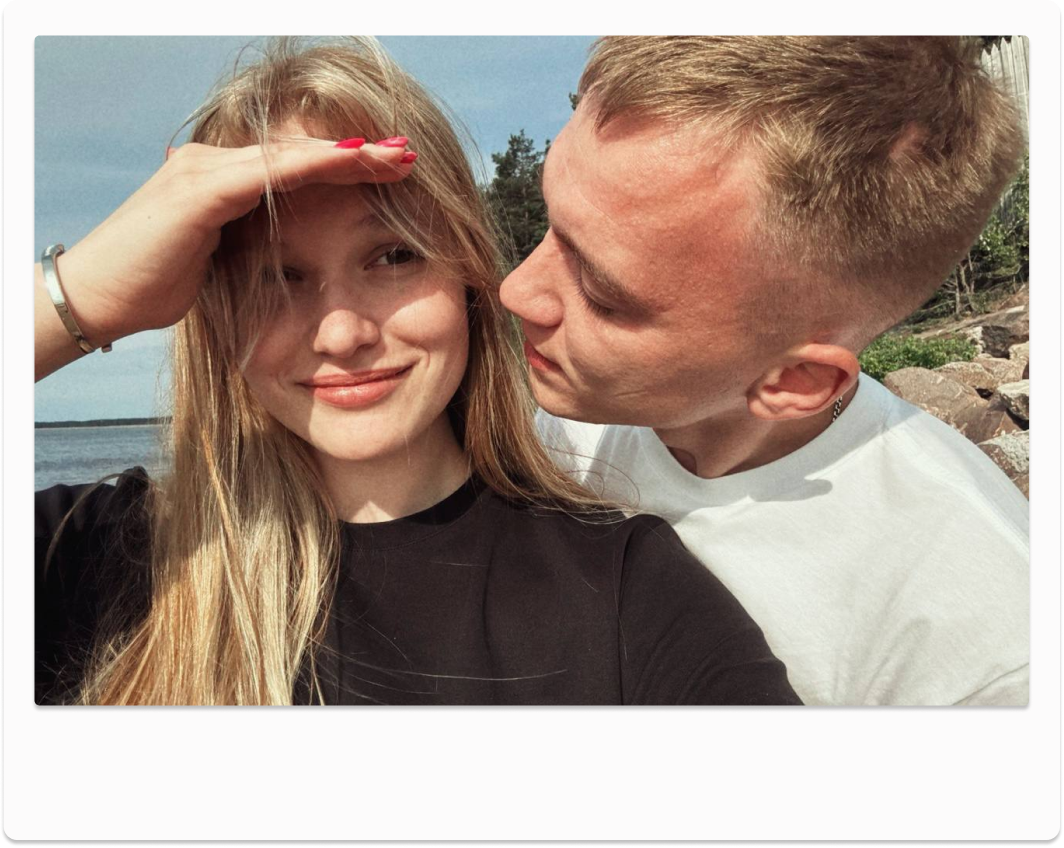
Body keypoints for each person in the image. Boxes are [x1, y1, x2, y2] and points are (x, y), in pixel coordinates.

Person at [34, 37, 801, 707]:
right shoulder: (94, 553)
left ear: (466, 272)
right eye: (276, 275)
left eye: (393, 256)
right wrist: (78, 297)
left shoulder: (629, 594)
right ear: (216, 311)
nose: (341, 332)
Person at [499, 36, 1029, 705]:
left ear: (792, 383)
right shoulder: (575, 416)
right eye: (552, 227)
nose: (517, 291)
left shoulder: (981, 655)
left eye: (602, 293)